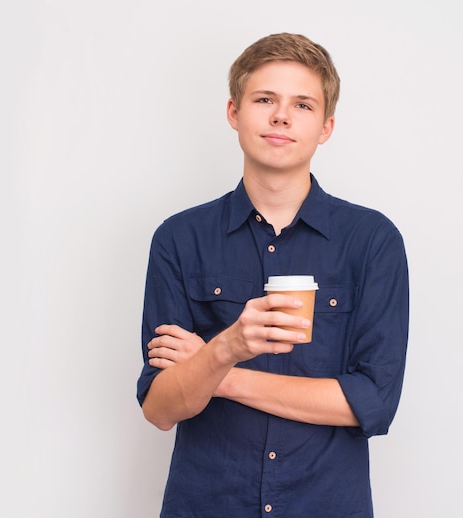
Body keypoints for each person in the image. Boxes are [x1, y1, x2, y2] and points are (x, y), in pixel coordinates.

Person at [136, 33, 409, 518]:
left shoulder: (372, 241)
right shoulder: (179, 239)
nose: (281, 116)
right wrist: (228, 346)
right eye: (265, 99)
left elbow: (371, 403)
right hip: (207, 505)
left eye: (302, 104)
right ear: (233, 113)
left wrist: (216, 370)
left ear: (325, 127)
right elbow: (159, 409)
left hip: (326, 505)